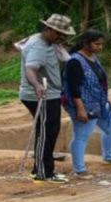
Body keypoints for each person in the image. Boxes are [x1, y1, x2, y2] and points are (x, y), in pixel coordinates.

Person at [19, 13, 75, 183]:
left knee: (49, 131)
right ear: (49, 30)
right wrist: (37, 86)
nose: (62, 38)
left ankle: (41, 168)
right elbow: (30, 69)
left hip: (50, 94)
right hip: (41, 96)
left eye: (64, 35)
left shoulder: (46, 41)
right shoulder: (39, 46)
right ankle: (43, 172)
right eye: (59, 34)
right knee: (46, 132)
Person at [63, 30, 111, 179]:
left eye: (101, 44)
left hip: (99, 103)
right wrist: (80, 108)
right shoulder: (75, 61)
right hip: (84, 104)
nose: (100, 47)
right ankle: (80, 169)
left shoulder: (93, 57)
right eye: (96, 44)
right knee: (82, 136)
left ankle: (108, 156)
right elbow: (73, 87)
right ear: (86, 43)